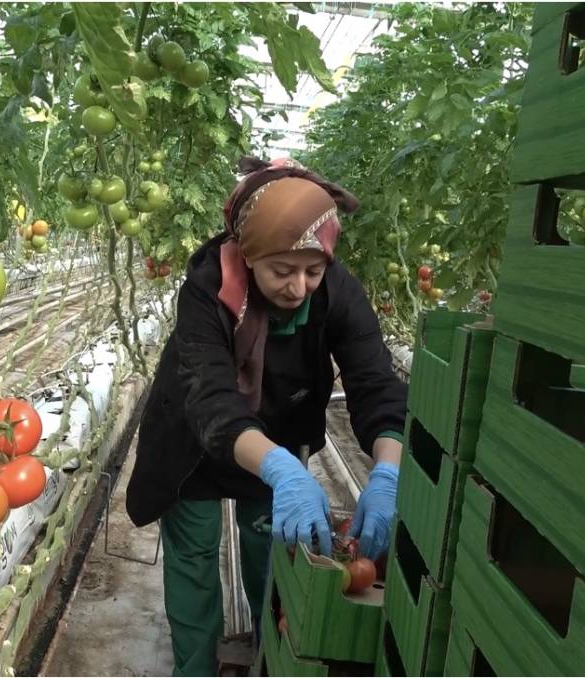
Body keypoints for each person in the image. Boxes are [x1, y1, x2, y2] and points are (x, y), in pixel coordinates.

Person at [125, 156, 409, 676]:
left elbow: (375, 384)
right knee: (193, 560)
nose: (298, 286)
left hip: (278, 429)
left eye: (313, 271)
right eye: (282, 270)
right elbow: (210, 398)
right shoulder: (208, 288)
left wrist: (387, 470)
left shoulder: (339, 293)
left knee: (271, 544)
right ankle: (195, 667)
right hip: (194, 440)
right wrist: (282, 470)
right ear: (250, 254)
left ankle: (271, 654)